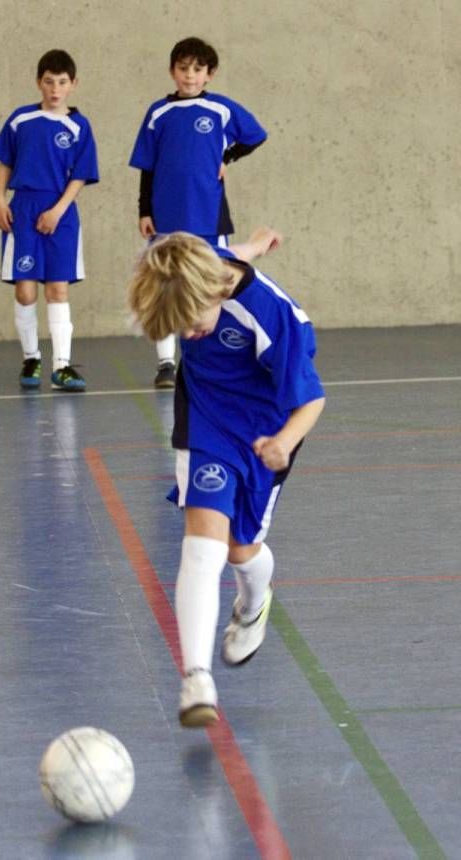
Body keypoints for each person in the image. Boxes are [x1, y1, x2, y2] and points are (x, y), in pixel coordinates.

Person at [128, 227, 325, 727]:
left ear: (216, 291)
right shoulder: (194, 264)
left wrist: (283, 443)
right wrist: (253, 248)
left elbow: (312, 400)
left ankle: (254, 601)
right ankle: (196, 678)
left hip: (267, 429)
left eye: (193, 327)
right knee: (203, 548)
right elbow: (223, 255)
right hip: (207, 422)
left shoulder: (270, 315)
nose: (190, 337)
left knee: (241, 551)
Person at [129, 36, 268, 390]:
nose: (189, 76)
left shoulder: (221, 109)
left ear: (209, 74)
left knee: (214, 281)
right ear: (172, 71)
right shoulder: (158, 113)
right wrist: (145, 209)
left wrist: (227, 157)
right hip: (165, 215)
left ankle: (211, 358)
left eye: (197, 69)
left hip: (207, 213)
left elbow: (256, 135)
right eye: (183, 68)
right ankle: (165, 363)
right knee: (164, 284)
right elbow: (147, 166)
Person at [0, 49, 99, 391]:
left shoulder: (79, 125)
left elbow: (80, 175)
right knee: (25, 290)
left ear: (73, 84)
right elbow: (5, 161)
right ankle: (31, 357)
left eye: (62, 82)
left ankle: (62, 366)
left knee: (58, 287)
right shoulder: (20, 119)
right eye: (49, 82)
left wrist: (58, 210)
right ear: (39, 82)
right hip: (22, 209)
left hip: (60, 212)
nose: (55, 89)